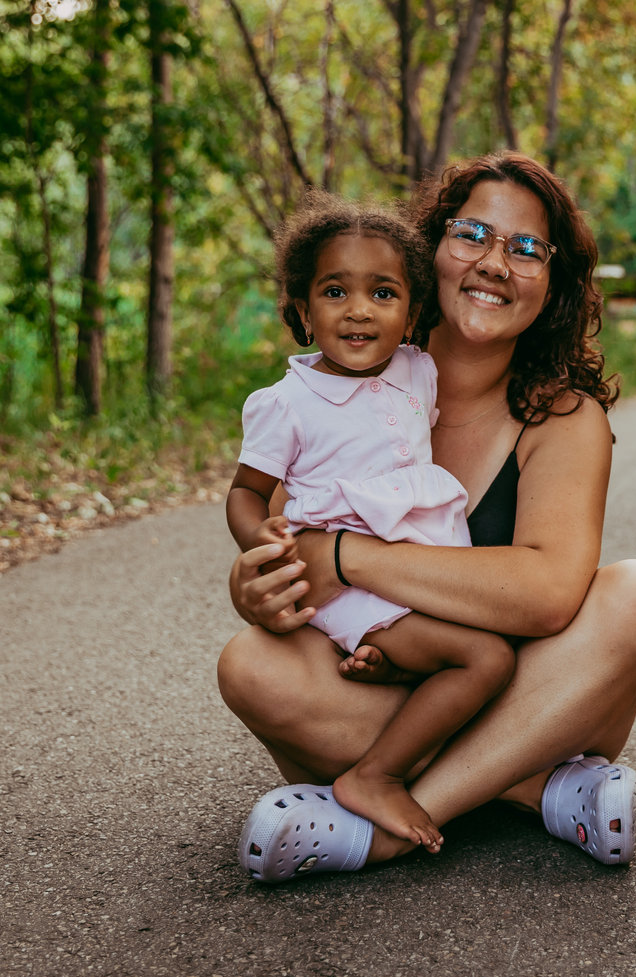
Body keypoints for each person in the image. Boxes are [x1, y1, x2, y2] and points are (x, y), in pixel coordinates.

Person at [219, 151, 636, 883]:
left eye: (527, 248)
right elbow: (285, 542)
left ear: (551, 284)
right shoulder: (349, 378)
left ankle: (392, 826)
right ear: (426, 253)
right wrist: (262, 589)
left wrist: (345, 558)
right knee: (250, 665)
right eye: (471, 235)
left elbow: (551, 590)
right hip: (392, 686)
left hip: (528, 689)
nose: (496, 262)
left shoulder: (562, 416)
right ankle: (536, 788)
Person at [227, 192, 515, 852]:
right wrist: (262, 541)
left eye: (383, 294)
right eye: (335, 291)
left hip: (419, 564)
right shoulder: (287, 403)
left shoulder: (418, 369)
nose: (359, 310)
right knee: (484, 659)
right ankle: (376, 775)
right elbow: (246, 492)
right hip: (347, 583)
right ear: (302, 310)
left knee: (485, 646)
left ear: (412, 313)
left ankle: (395, 690)